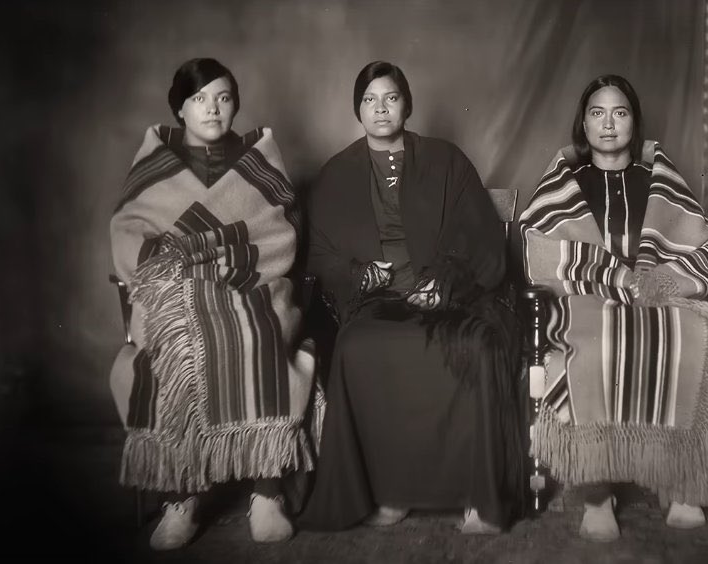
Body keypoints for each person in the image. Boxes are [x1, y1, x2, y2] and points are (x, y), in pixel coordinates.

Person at [297, 61, 522, 534]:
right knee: (358, 348)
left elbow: (479, 232)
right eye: (369, 100)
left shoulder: (445, 158)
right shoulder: (336, 173)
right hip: (377, 303)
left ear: (407, 104)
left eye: (391, 98)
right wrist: (359, 274)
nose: (380, 109)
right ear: (357, 109)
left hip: (450, 297)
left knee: (478, 347)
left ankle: (476, 497)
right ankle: (392, 491)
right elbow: (319, 256)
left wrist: (443, 280)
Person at [518, 74, 708, 542]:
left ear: (634, 122)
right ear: (584, 122)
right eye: (597, 113)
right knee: (595, 350)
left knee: (690, 340)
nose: (609, 124)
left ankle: (679, 479)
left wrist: (658, 281)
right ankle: (599, 493)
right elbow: (541, 251)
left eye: (620, 113)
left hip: (657, 298)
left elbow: (703, 245)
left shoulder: (657, 180)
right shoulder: (566, 183)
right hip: (586, 301)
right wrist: (614, 278)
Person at [107, 58, 315, 550]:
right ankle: (183, 495)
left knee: (255, 333)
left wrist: (224, 258)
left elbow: (281, 233)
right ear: (181, 108)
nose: (213, 108)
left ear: (235, 104)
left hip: (251, 283)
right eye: (200, 99)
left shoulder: (257, 157)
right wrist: (194, 259)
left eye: (223, 98)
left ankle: (266, 488)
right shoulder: (157, 162)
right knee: (177, 349)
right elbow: (130, 231)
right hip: (174, 290)